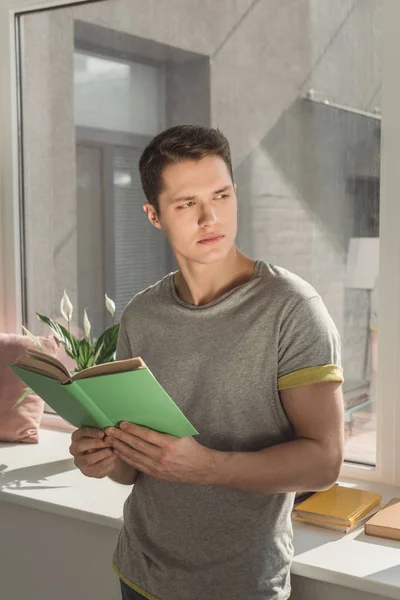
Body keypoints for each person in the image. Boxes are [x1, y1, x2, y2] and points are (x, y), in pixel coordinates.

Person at [69, 125, 344, 600]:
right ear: (154, 215)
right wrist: (102, 458)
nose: (210, 217)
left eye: (221, 195)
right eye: (186, 204)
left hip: (240, 586)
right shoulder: (141, 315)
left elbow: (325, 462)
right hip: (139, 574)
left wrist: (206, 466)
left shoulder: (293, 309)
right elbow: (133, 470)